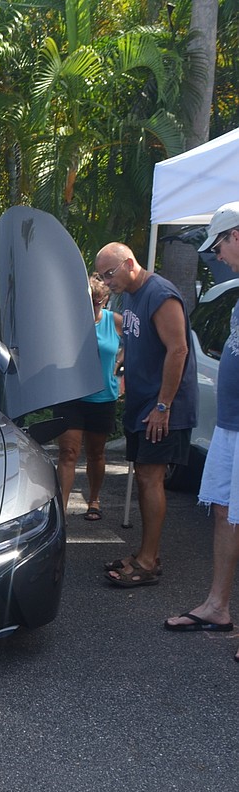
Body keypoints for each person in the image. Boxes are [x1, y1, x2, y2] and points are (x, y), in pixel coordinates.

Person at [94, 241, 197, 587]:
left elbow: (178, 349)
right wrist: (122, 365)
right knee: (142, 476)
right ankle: (143, 553)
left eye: (110, 275)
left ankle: (148, 561)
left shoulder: (160, 293)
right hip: (142, 405)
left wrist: (163, 405)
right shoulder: (132, 296)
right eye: (103, 277)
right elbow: (137, 339)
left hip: (162, 408)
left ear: (129, 263)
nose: (107, 283)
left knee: (151, 478)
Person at [165, 202, 239, 660]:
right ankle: (217, 605)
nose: (218, 258)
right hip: (229, 427)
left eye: (220, 246)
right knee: (223, 512)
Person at [54, 274, 123, 518]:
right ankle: (61, 509)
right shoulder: (68, 322)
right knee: (68, 453)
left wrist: (121, 370)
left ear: (105, 300)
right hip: (70, 397)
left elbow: (135, 344)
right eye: (89, 301)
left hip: (102, 397)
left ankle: (94, 499)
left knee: (96, 453)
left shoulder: (114, 322)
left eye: (99, 301)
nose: (94, 306)